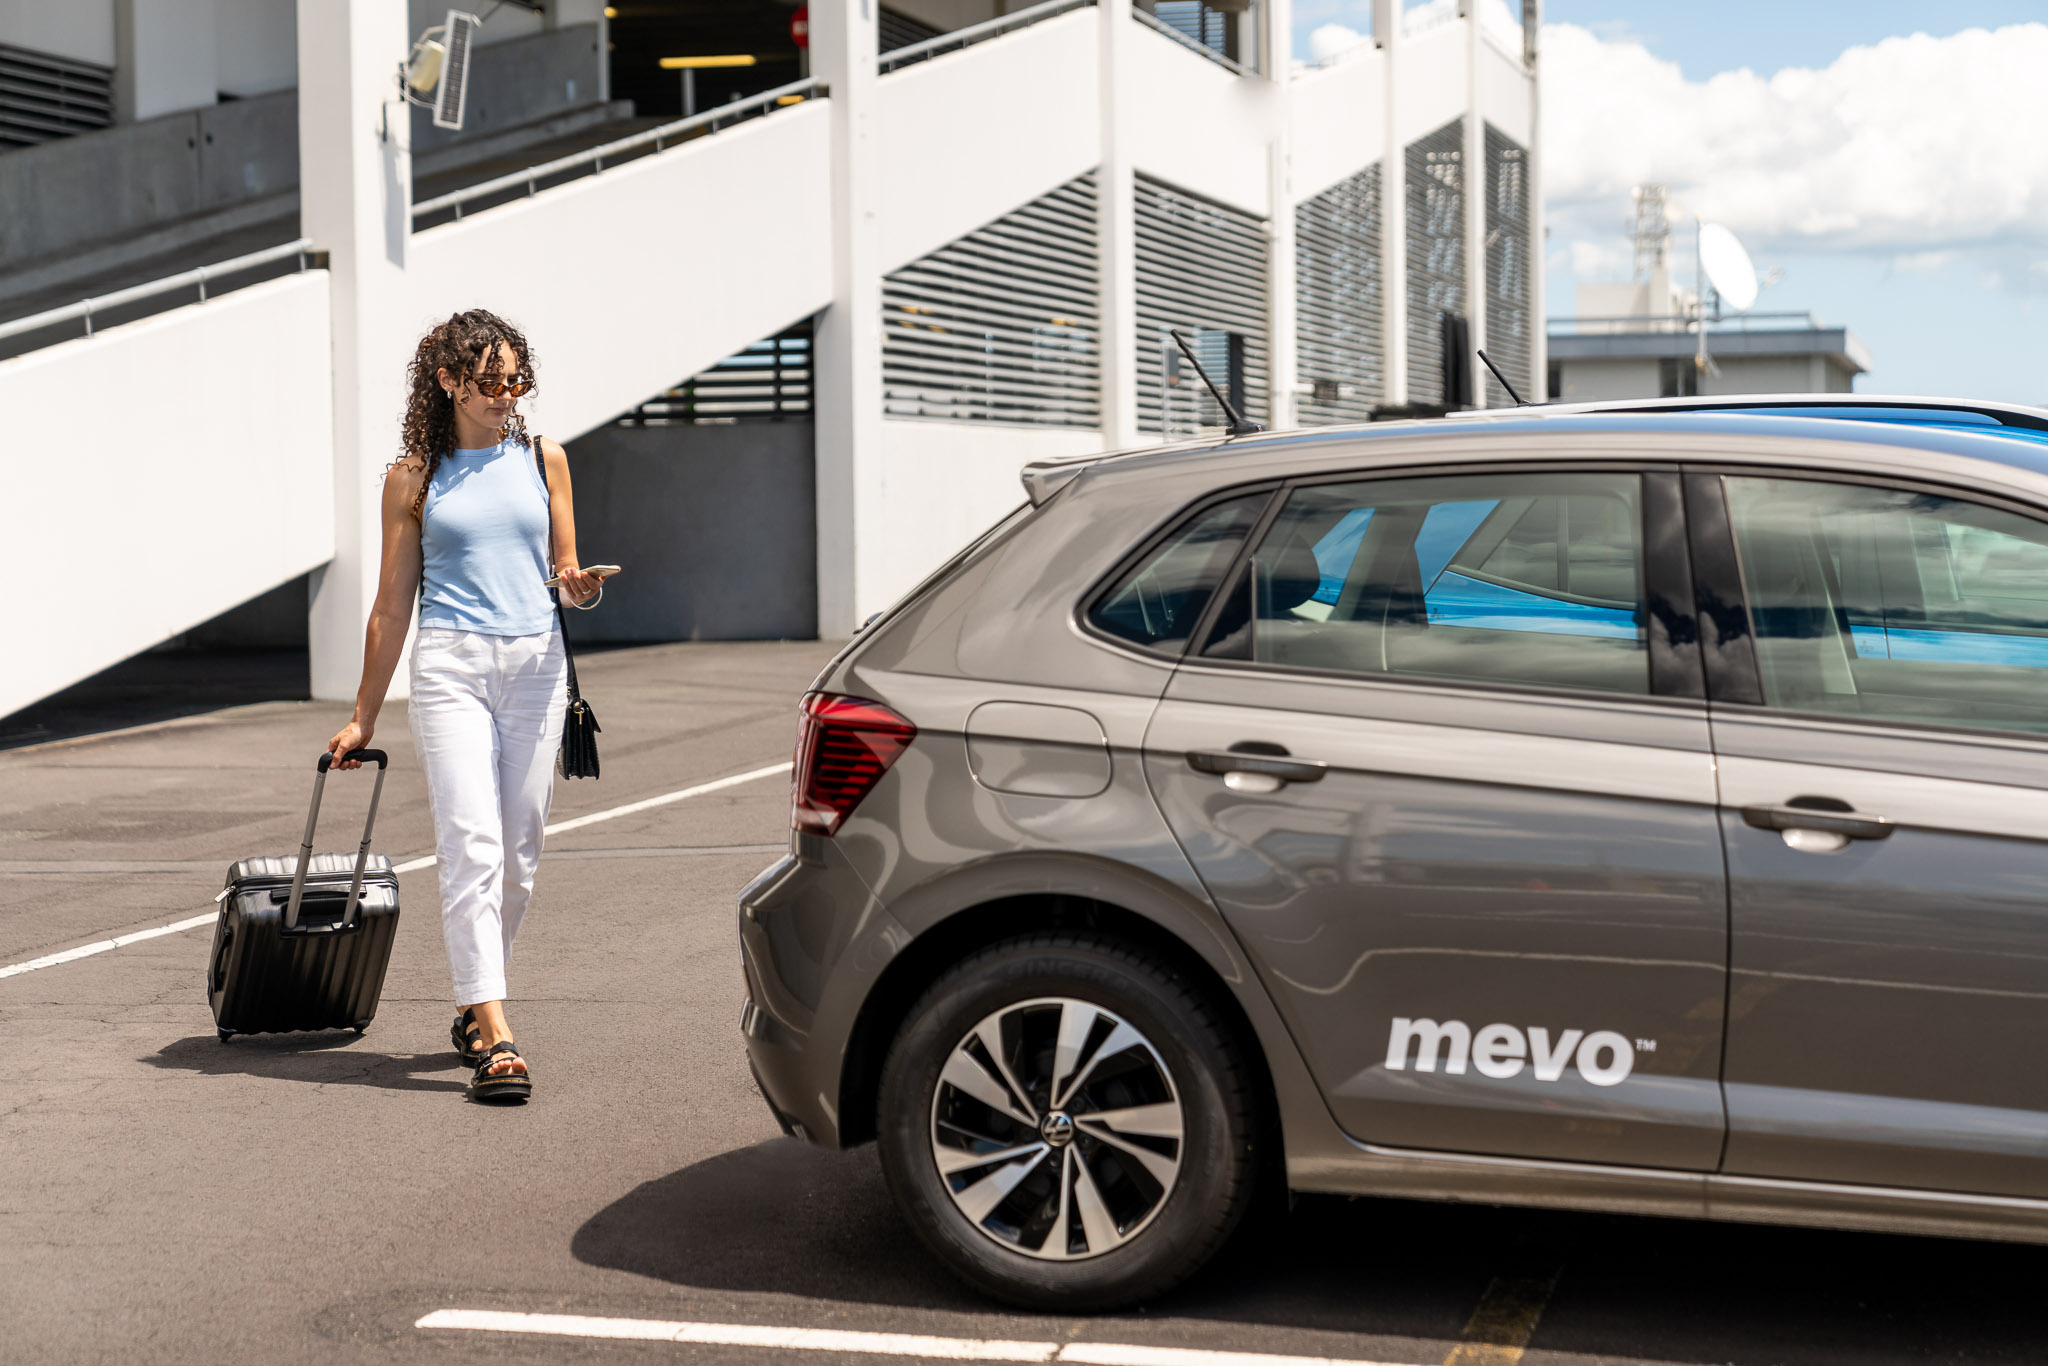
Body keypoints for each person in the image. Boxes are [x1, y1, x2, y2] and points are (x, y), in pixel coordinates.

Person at [324, 309, 601, 1104]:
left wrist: (579, 589)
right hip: (451, 667)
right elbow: (389, 605)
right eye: (490, 381)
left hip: (537, 666)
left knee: (519, 855)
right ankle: (497, 1034)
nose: (507, 394)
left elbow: (564, 570)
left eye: (518, 379)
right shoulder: (413, 478)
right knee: (472, 845)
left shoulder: (545, 459)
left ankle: (473, 1003)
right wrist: (363, 716)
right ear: (448, 382)